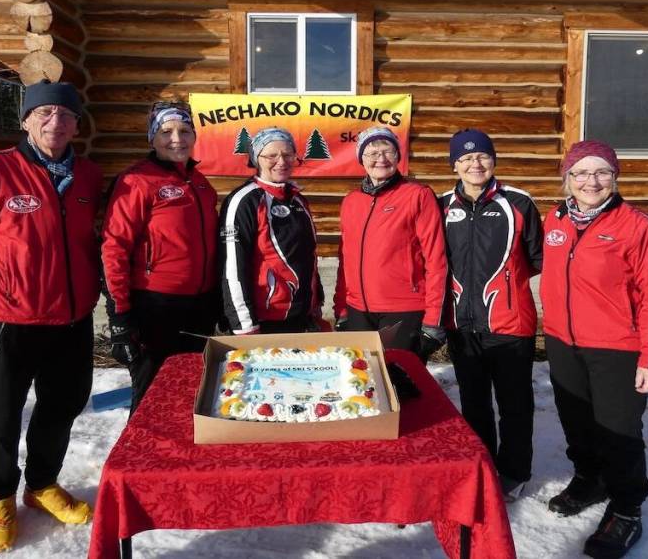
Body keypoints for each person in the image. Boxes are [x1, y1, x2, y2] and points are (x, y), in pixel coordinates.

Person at [0, 80, 100, 553]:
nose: (56, 122)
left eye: (67, 115)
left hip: (72, 318)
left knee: (63, 405)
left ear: (77, 124)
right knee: (1, 414)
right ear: (26, 119)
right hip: (11, 318)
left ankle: (42, 484)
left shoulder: (88, 175)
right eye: (45, 113)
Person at [540, 140, 648, 559]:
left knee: (619, 432)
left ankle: (627, 508)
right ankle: (589, 479)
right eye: (580, 173)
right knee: (576, 421)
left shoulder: (639, 225)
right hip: (563, 341)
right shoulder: (555, 219)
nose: (590, 181)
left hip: (616, 347)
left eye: (601, 172)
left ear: (615, 178)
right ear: (568, 179)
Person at [438, 129, 542, 502]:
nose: (474, 164)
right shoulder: (440, 205)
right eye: (465, 159)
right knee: (474, 401)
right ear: (454, 165)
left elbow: (536, 259)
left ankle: (515, 471)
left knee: (515, 404)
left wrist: (508, 291)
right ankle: (482, 467)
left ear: (493, 160)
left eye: (481, 157)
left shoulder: (518, 202)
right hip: (461, 324)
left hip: (509, 322)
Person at [101, 102, 219, 413]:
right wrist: (120, 317)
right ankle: (136, 461)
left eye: (184, 131)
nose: (177, 139)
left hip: (199, 307)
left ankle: (186, 462)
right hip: (155, 308)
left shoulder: (201, 184)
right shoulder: (136, 181)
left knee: (194, 394)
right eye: (166, 132)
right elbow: (114, 248)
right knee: (152, 400)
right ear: (152, 138)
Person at [333, 125, 447, 358]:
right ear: (361, 160)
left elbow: (436, 259)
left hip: (403, 309)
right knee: (363, 382)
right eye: (372, 154)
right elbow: (346, 260)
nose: (381, 159)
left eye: (388, 152)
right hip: (358, 311)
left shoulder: (417, 195)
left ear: (398, 156)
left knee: (400, 384)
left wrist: (434, 319)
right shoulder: (351, 201)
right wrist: (341, 308)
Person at [219, 127, 325, 334]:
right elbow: (232, 266)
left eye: (288, 154)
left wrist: (316, 302)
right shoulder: (244, 201)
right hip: (263, 320)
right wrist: (245, 325)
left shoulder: (297, 199)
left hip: (300, 315)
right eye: (271, 155)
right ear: (256, 159)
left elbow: (308, 256)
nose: (282, 161)